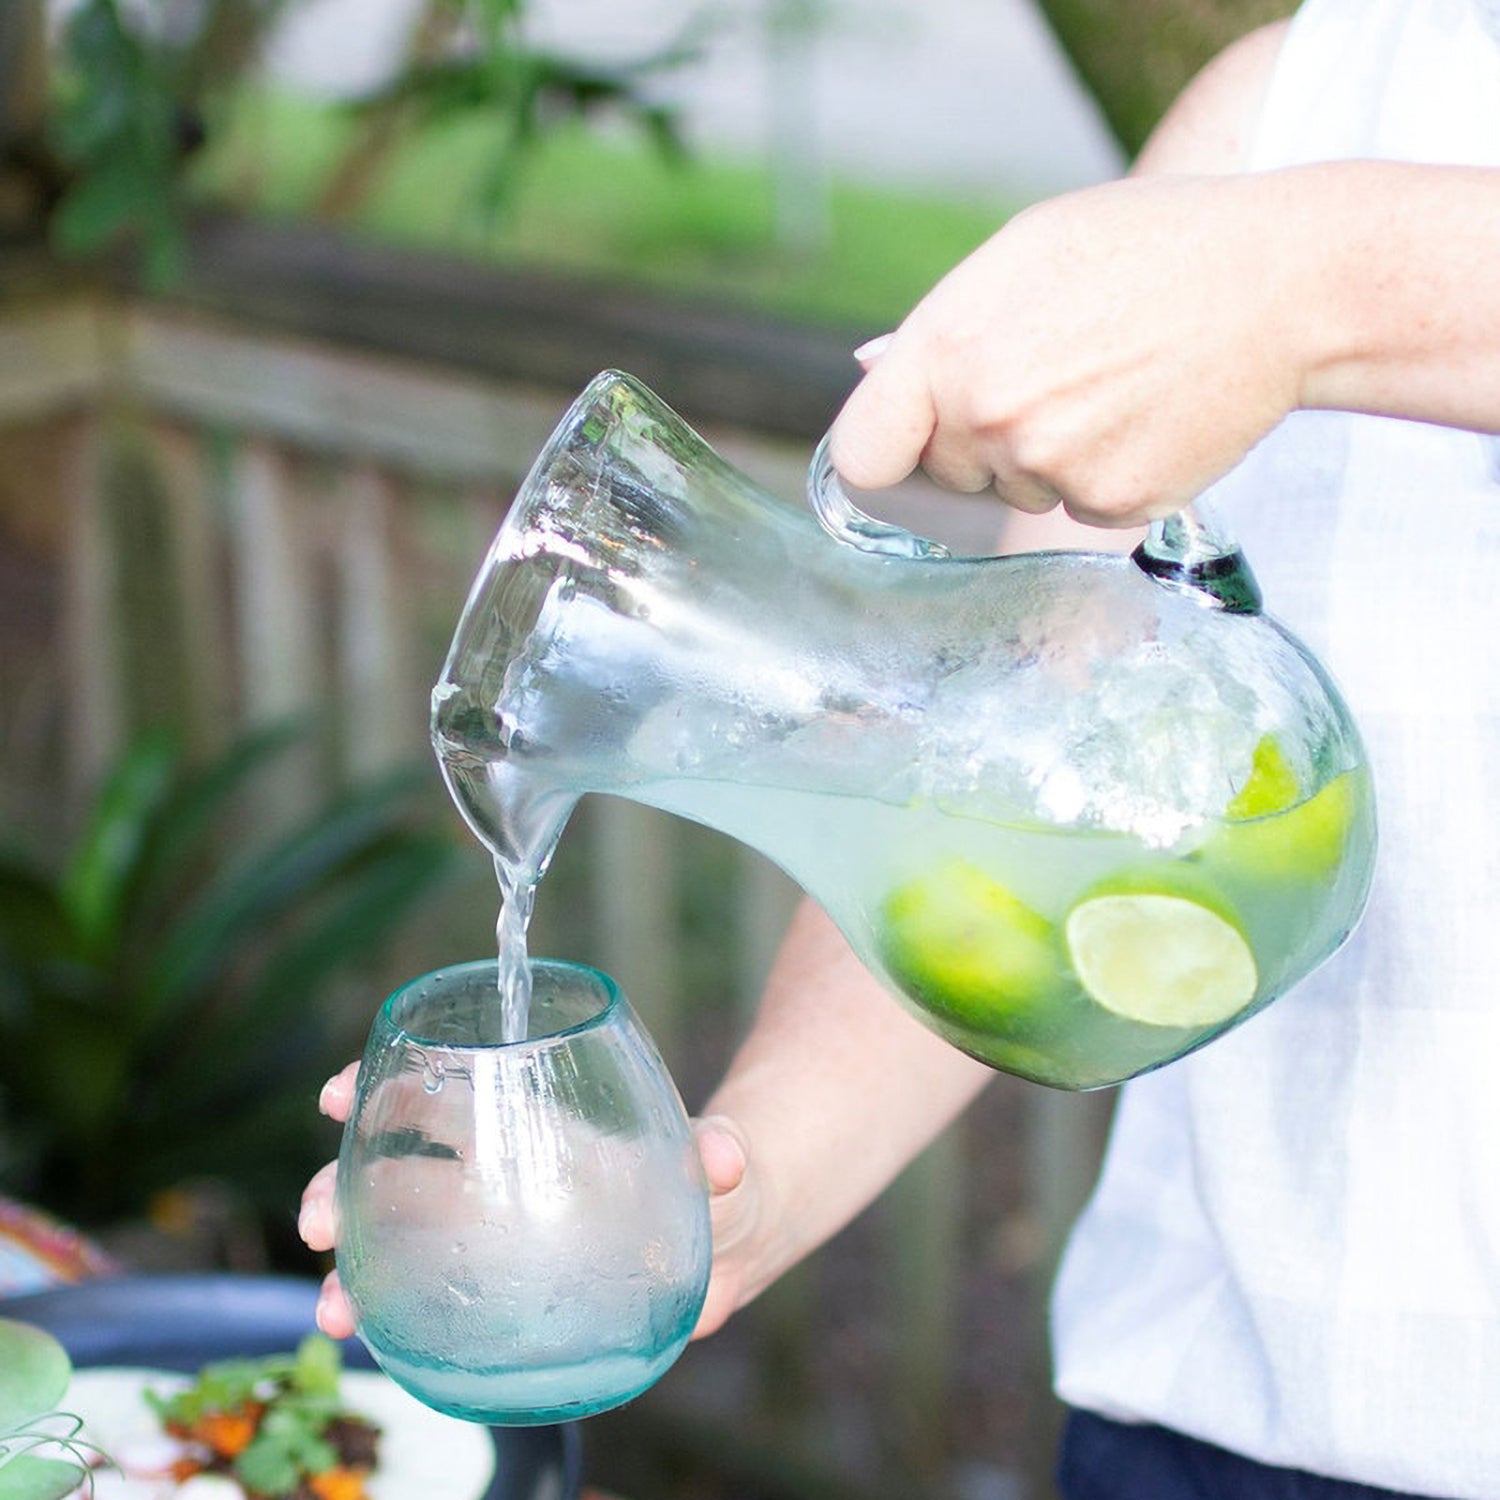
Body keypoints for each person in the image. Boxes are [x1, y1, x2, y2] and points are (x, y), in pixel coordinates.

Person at [300, 0, 1500, 1493]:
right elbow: (992, 763)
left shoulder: (1281, 216)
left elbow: (1318, 277)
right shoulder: (1306, 90)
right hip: (1209, 1415)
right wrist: (749, 1185)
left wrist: (1322, 282)